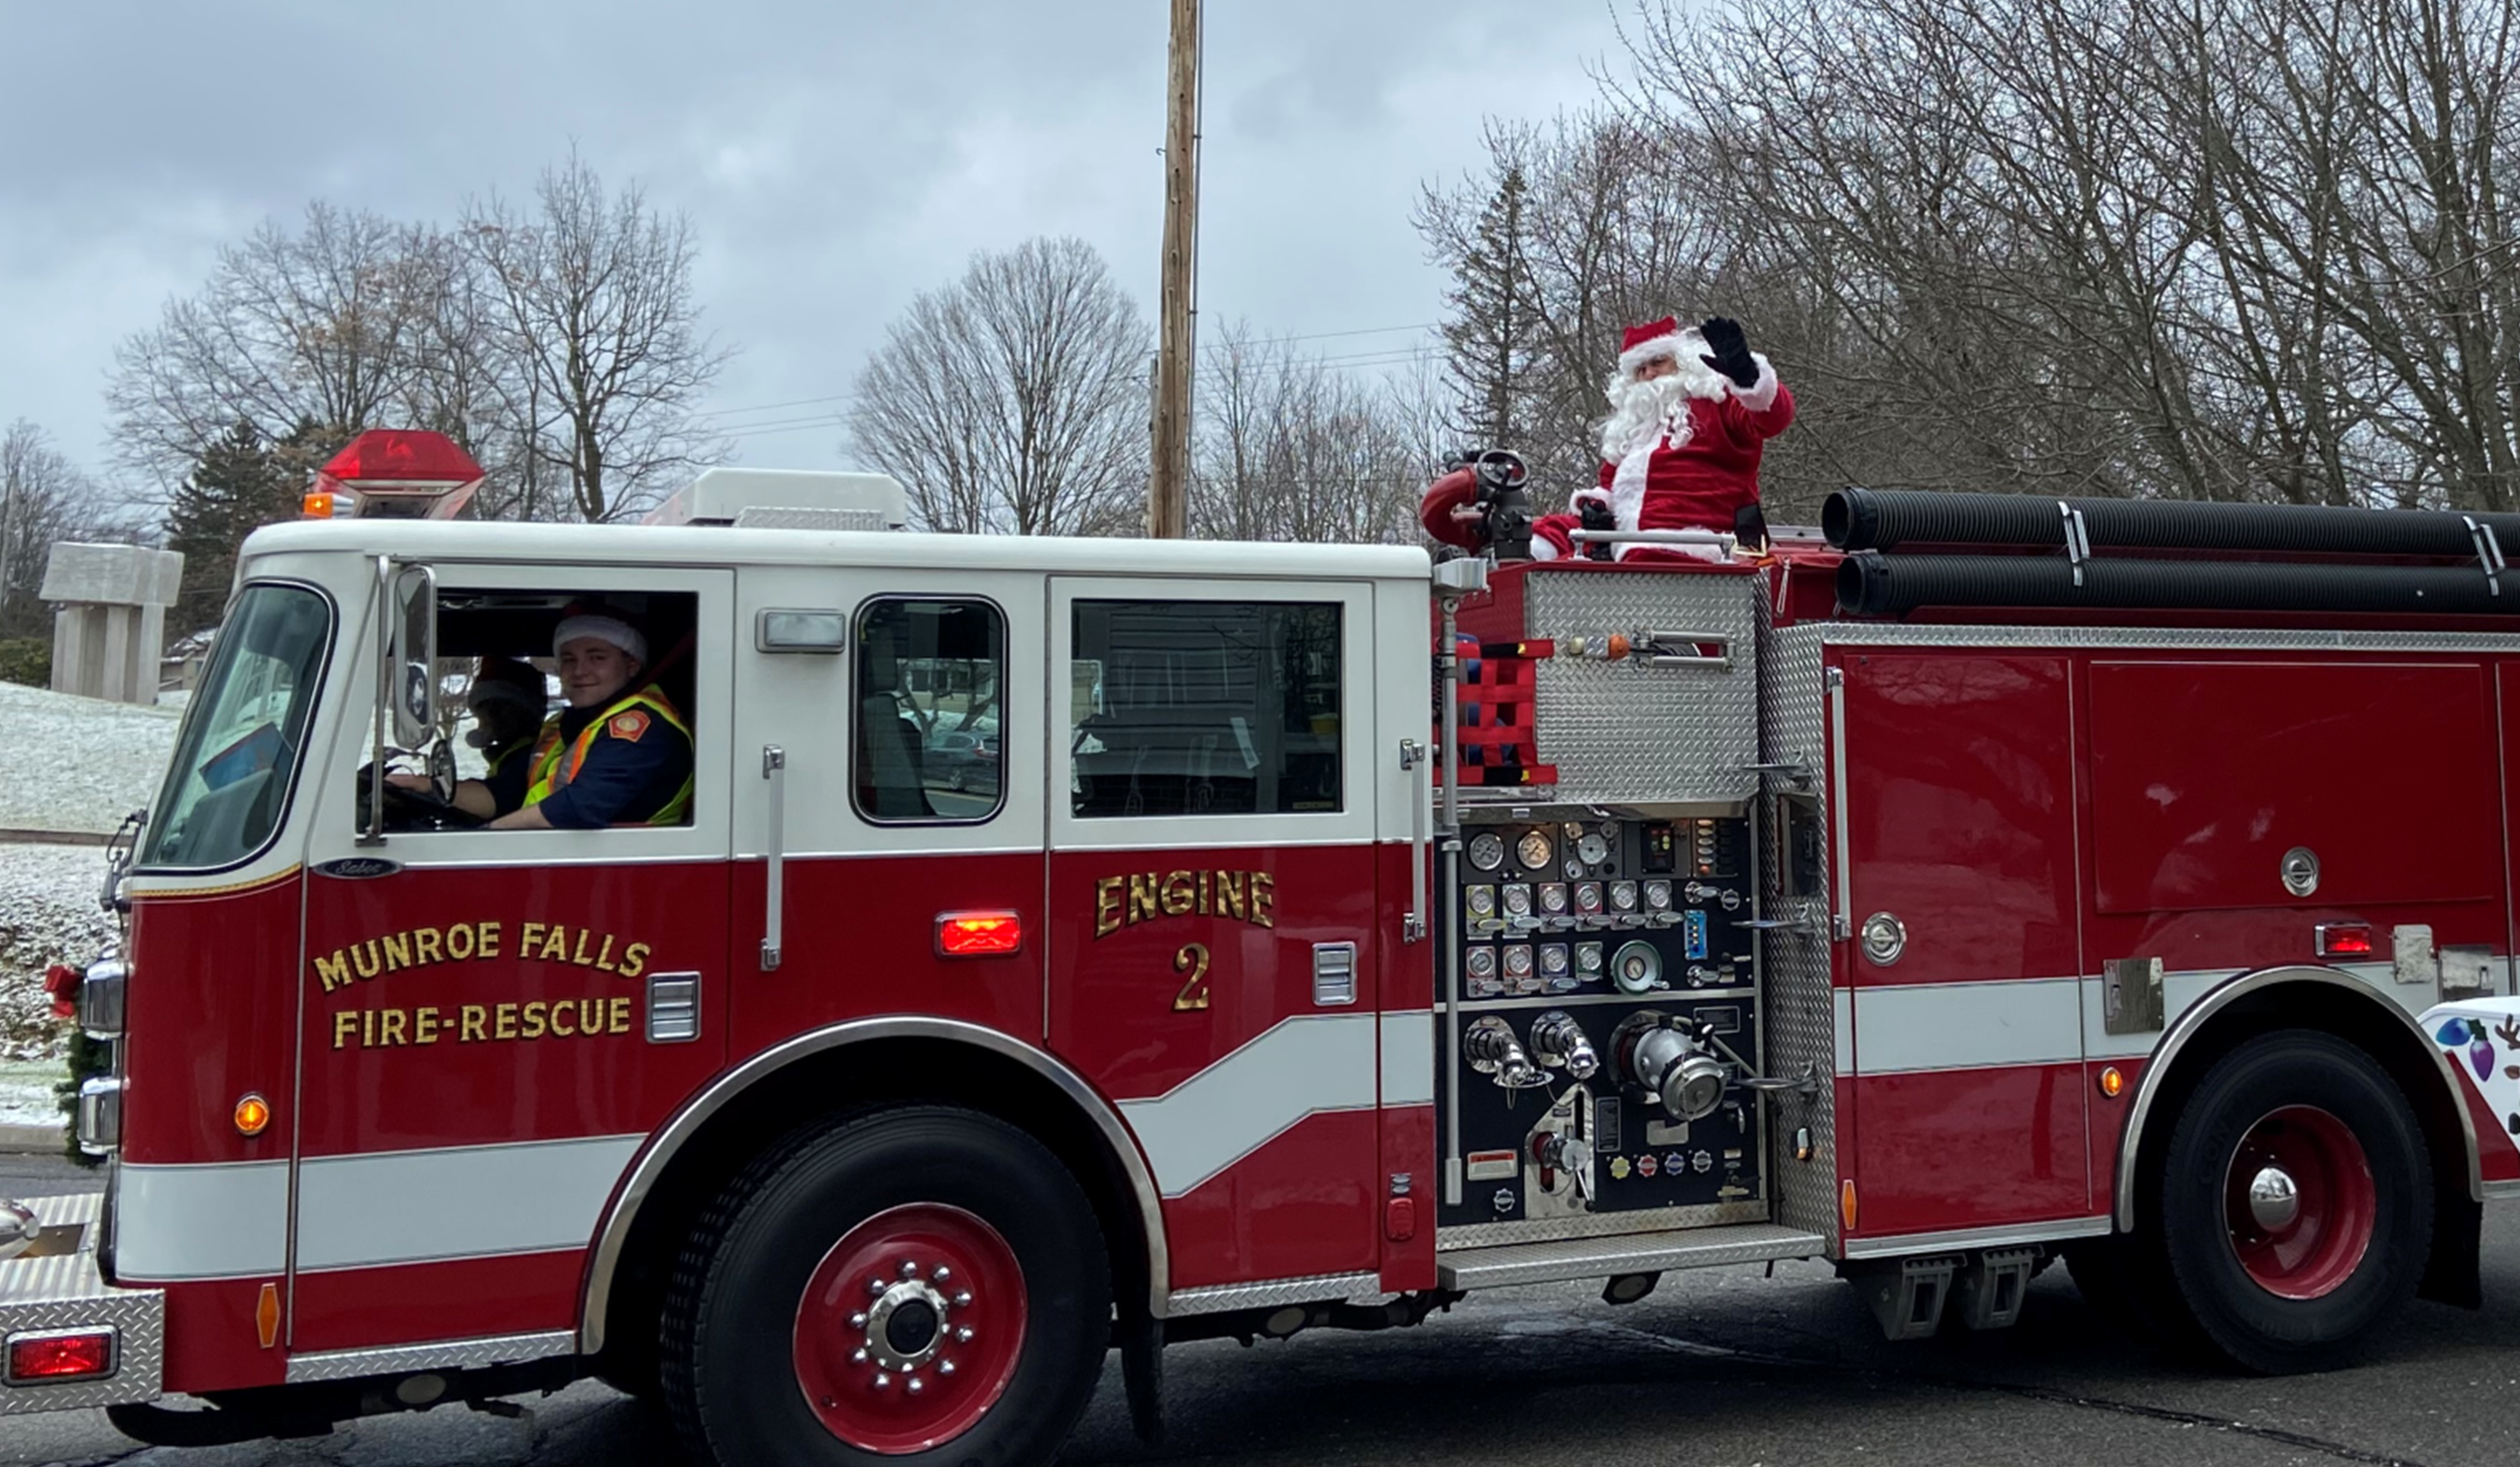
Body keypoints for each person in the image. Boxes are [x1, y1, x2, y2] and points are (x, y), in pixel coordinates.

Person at [1531, 314, 1795, 563]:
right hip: (1624, 539)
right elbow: (1609, 486)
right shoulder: (1632, 425)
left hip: (1691, 542)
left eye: (1658, 362)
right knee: (1539, 535)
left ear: (1683, 361)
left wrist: (1747, 376)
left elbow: (1772, 419)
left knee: (1635, 558)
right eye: (1640, 369)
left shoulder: (1717, 400)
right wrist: (1596, 507)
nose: (1648, 374)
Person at [488, 613, 693, 830]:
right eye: (569, 659)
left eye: (597, 658)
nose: (579, 671)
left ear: (632, 666)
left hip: (629, 860)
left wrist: (484, 837)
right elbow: (508, 792)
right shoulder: (568, 724)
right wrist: (452, 793)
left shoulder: (643, 727)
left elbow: (576, 808)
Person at [385, 656, 545, 819]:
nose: (489, 718)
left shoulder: (530, 756)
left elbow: (499, 799)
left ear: (526, 714)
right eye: (483, 708)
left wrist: (430, 786)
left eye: (499, 709)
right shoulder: (508, 756)